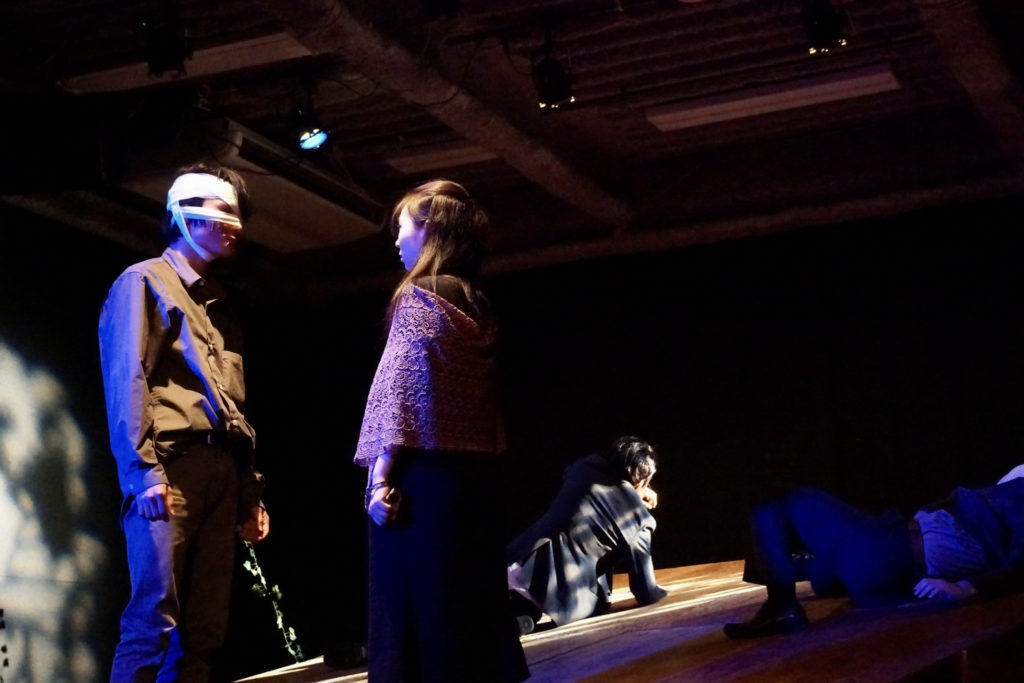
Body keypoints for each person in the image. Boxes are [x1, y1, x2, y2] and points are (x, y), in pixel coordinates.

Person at [99, 162, 270, 682]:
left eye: (237, 214)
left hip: (219, 470)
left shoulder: (218, 303)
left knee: (204, 629)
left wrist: (248, 490)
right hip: (171, 471)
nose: (235, 225)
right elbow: (127, 379)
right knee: (154, 620)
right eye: (223, 211)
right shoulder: (143, 281)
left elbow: (232, 406)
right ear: (184, 214)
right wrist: (143, 472)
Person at [353, 180, 528, 683]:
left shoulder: (418, 297)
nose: (396, 240)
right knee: (469, 605)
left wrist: (379, 479)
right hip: (473, 479)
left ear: (429, 231)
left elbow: (399, 390)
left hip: (420, 481)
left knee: (418, 611)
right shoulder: (477, 300)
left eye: (403, 227)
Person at [723, 466, 1024, 639]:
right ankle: (797, 566)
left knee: (769, 496)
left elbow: (1020, 569)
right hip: (891, 567)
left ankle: (781, 607)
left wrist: (966, 589)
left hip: (890, 555)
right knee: (820, 575)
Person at [506, 436, 668, 634]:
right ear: (643, 481)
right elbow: (645, 592)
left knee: (523, 614)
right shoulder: (639, 519)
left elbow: (604, 493)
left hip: (516, 560)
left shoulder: (582, 469)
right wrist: (633, 499)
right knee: (599, 602)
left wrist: (630, 495)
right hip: (553, 591)